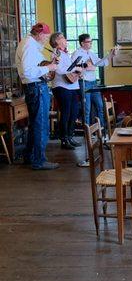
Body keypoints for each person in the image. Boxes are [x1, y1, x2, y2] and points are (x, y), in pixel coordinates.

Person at [15, 22, 59, 170]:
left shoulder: (30, 44)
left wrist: (51, 62)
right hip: (36, 88)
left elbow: (35, 66)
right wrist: (50, 67)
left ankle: (29, 156)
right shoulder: (29, 45)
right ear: (40, 34)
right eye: (46, 36)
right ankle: (39, 160)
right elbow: (28, 71)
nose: (47, 39)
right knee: (41, 124)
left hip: (34, 87)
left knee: (35, 124)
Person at [71, 34, 117, 128]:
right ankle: (87, 131)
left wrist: (111, 55)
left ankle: (102, 128)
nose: (91, 43)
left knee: (100, 105)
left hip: (93, 82)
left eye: (91, 42)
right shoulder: (77, 53)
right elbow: (72, 68)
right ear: (82, 43)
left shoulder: (91, 53)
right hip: (84, 82)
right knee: (86, 108)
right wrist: (86, 68)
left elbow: (102, 62)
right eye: (89, 42)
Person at [49, 32, 82, 150]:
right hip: (61, 87)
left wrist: (77, 72)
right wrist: (75, 68)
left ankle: (70, 136)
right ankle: (64, 139)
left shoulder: (65, 53)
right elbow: (58, 69)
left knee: (74, 112)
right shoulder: (56, 53)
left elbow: (68, 70)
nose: (65, 39)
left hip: (72, 86)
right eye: (62, 38)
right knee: (66, 113)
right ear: (57, 41)